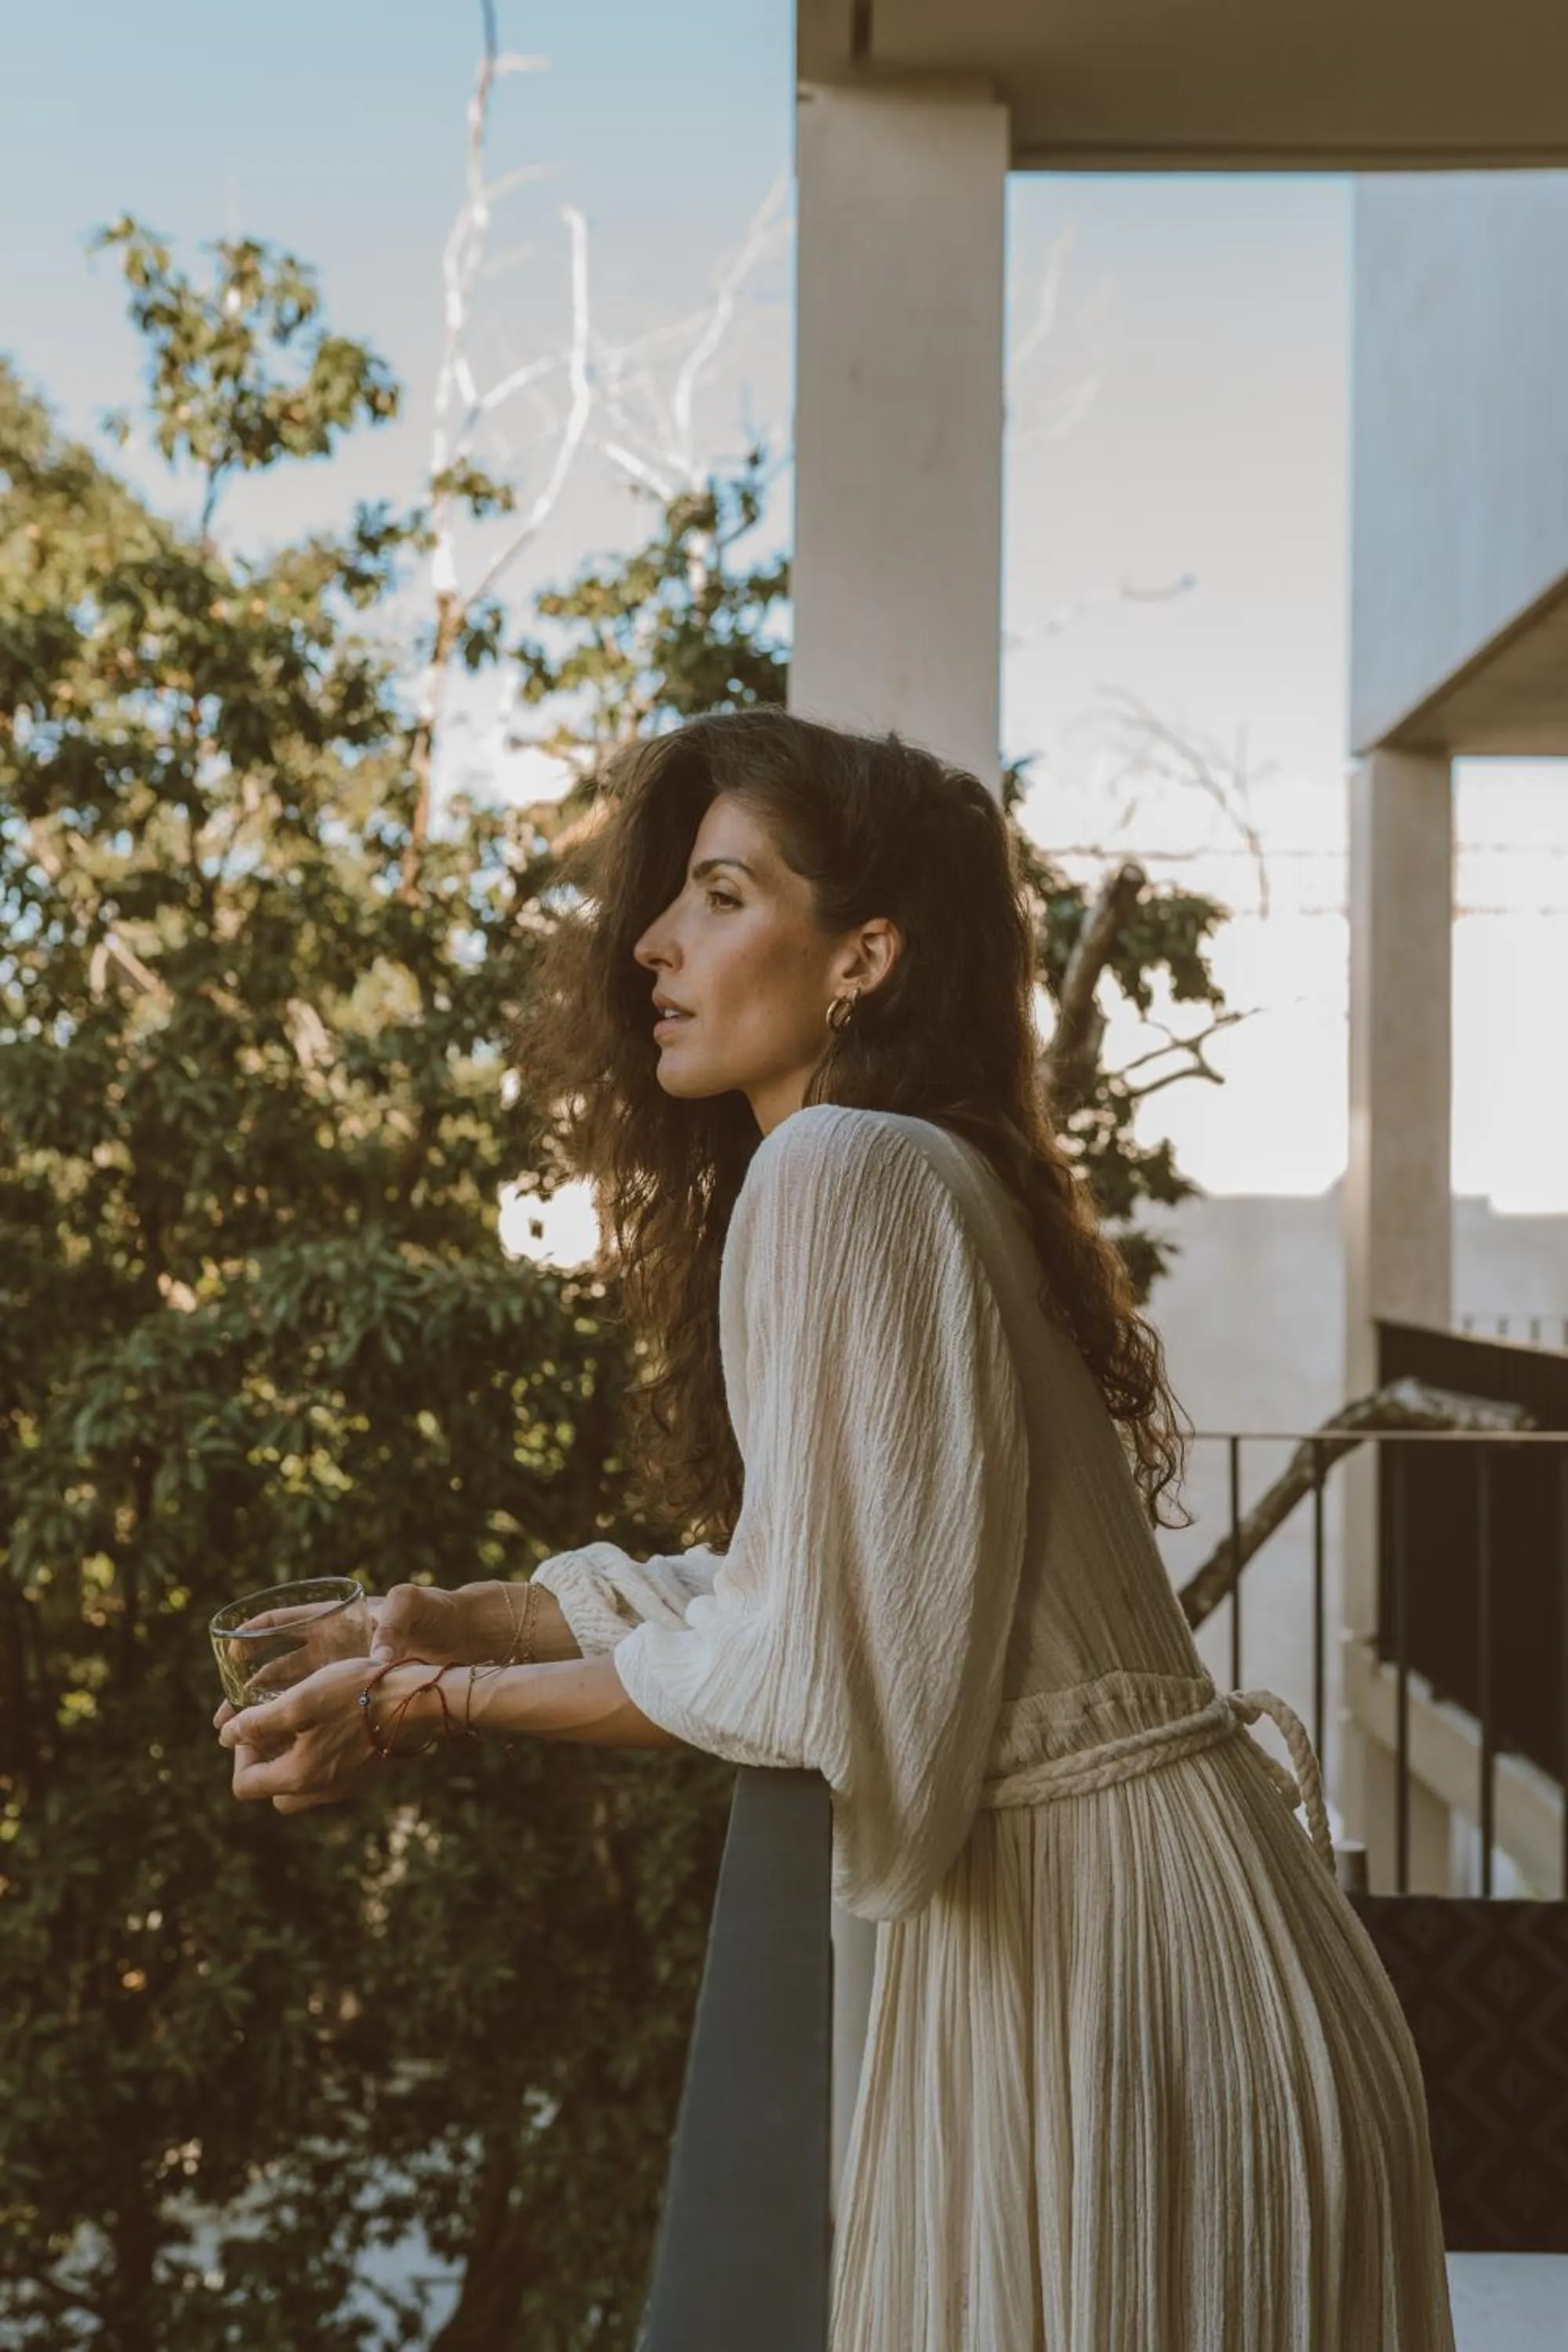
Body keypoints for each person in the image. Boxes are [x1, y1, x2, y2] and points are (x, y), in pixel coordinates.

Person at [218, 709, 1455, 2351]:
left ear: (863, 953)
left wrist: (418, 1705)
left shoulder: (840, 1174)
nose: (654, 942)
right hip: (1167, 1945)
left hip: (1111, 1977)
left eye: (721, 897)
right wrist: (461, 1620)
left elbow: (797, 1665)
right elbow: (812, 1582)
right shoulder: (925, 1171)